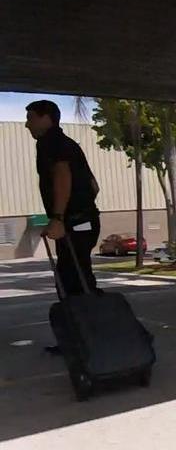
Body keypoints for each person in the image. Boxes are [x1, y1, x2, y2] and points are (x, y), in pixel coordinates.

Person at [25, 100, 100, 301]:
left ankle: (89, 325)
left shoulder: (50, 142)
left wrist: (59, 218)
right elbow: (94, 186)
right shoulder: (67, 143)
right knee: (79, 276)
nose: (27, 124)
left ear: (46, 118)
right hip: (84, 221)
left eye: (30, 118)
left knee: (72, 282)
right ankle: (92, 322)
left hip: (74, 223)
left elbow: (62, 175)